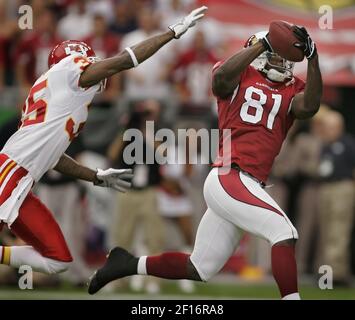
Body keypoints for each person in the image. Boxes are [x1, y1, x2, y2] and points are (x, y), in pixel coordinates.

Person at [88, 25, 323, 300]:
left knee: (200, 267)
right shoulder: (238, 73)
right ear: (259, 52)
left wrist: (314, 58)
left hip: (247, 183)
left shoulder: (290, 89)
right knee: (284, 232)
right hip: (230, 176)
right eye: (275, 55)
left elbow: (309, 107)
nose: (282, 63)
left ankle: (126, 264)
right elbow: (220, 80)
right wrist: (263, 44)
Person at [0, 6, 207, 277]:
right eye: (90, 60)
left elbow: (53, 157)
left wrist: (95, 176)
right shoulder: (69, 69)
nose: (98, 68)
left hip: (22, 180)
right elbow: (123, 60)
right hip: (9, 173)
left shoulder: (60, 98)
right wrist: (170, 34)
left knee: (58, 260)